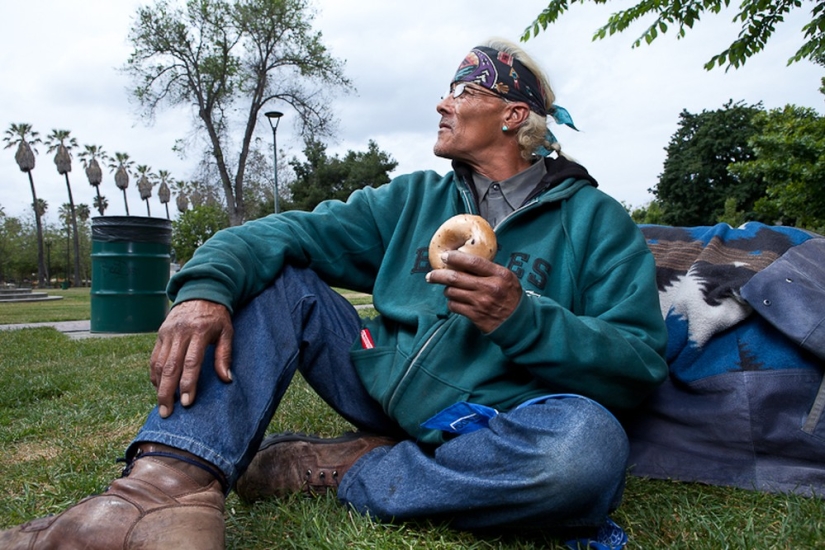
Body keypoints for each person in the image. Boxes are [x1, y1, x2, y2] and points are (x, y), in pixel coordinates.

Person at [0, 37, 668, 549]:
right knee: (279, 273)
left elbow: (636, 363)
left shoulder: (593, 220)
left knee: (584, 454)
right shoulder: (412, 199)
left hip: (501, 421)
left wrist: (520, 318)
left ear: (511, 114)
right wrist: (202, 290)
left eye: (462, 90)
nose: (442, 102)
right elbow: (284, 232)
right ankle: (162, 490)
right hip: (379, 385)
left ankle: (354, 472)